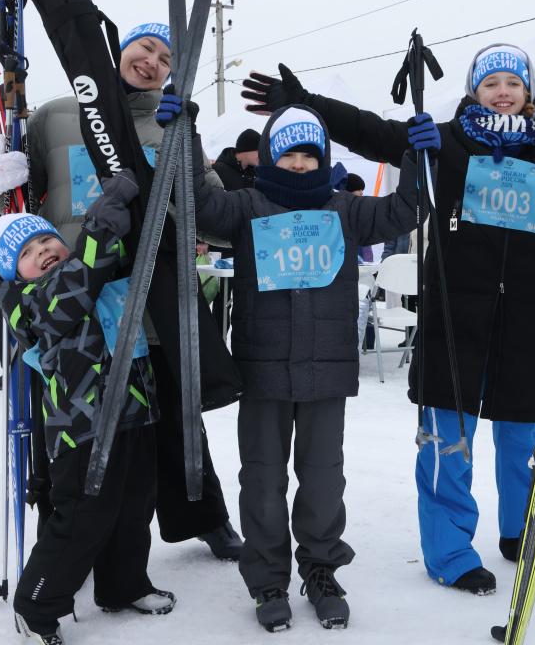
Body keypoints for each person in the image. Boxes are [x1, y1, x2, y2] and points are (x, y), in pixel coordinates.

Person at [242, 46, 535, 595]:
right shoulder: (447, 142)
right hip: (453, 316)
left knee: (523, 439)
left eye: (512, 83)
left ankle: (525, 531)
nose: (502, 91)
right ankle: (450, 547)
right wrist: (307, 105)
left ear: (529, 91)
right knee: (447, 440)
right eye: (491, 83)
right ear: (474, 90)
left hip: (526, 319)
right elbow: (374, 133)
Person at [0, 22, 244, 560]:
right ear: (121, 50)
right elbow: (10, 203)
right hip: (67, 295)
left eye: (166, 58)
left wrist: (189, 150)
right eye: (146, 47)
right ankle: (67, 531)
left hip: (146, 295)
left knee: (167, 409)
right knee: (68, 425)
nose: (153, 62)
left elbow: (213, 219)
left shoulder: (170, 128)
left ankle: (202, 513)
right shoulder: (55, 116)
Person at [181, 102, 423, 631]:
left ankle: (321, 571)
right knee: (262, 481)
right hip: (263, 371)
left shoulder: (346, 209)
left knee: (322, 480)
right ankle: (268, 578)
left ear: (323, 160)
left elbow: (404, 212)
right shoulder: (245, 205)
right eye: (287, 154)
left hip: (327, 371)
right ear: (270, 155)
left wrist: (416, 156)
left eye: (308, 156)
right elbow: (198, 205)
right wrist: (186, 133)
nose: (297, 164)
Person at [0, 171, 173, 645]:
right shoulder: (32, 301)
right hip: (83, 428)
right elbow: (76, 283)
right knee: (84, 519)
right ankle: (36, 605)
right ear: (14, 273)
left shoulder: (90, 271)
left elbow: (116, 262)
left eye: (47, 240)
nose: (42, 252)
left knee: (134, 506)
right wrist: (101, 217)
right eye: (26, 255)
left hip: (133, 412)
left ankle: (123, 584)